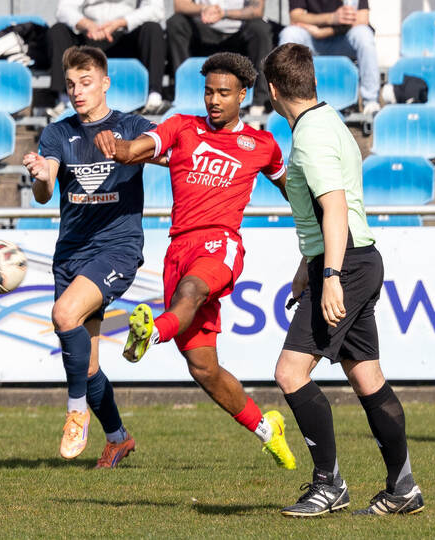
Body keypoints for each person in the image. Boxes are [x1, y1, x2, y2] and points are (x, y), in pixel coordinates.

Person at [94, 52, 296, 469]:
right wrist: (117, 147)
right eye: (208, 92)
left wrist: (321, 223)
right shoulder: (182, 127)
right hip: (179, 249)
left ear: (243, 95)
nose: (214, 100)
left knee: (192, 290)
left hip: (220, 244)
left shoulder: (262, 145)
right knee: (203, 368)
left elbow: (291, 188)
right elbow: (135, 150)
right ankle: (267, 430)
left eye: (224, 93)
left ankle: (152, 333)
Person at [262, 43, 424, 517]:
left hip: (345, 264)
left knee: (290, 372)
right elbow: (333, 209)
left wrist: (329, 275)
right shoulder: (329, 120)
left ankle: (328, 485)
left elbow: (334, 206)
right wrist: (307, 266)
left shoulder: (310, 136)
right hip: (354, 259)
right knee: (367, 377)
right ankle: (403, 489)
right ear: (312, 81)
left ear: (273, 91)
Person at [23, 45, 159, 468]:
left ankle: (76, 411)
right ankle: (118, 438)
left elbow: (164, 149)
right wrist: (41, 175)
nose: (77, 91)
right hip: (71, 254)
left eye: (86, 83)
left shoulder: (131, 125)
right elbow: (44, 191)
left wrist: (127, 148)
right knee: (87, 365)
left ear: (104, 83)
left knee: (64, 314)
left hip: (117, 248)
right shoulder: (57, 133)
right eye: (70, 85)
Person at [47, 0, 167, 116]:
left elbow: (156, 9)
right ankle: (65, 99)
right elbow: (64, 9)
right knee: (58, 30)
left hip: (126, 34)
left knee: (153, 28)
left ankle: (154, 97)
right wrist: (87, 24)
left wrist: (122, 22)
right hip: (88, 36)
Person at [167, 1, 273, 115]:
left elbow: (257, 10)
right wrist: (204, 9)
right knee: (176, 22)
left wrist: (224, 13)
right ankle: (185, 93)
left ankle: (259, 101)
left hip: (239, 33)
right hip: (202, 31)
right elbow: (180, 5)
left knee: (260, 28)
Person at [279, 0, 381, 116]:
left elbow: (362, 18)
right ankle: (288, 102)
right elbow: (295, 17)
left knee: (364, 34)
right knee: (289, 34)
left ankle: (371, 101)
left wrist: (325, 31)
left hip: (343, 38)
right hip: (312, 39)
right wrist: (331, 18)